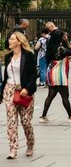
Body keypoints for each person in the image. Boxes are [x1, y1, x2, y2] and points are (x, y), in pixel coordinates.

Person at [3, 31, 37, 159]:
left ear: (19, 41)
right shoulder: (8, 57)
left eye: (12, 39)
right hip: (10, 89)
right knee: (11, 121)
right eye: (10, 39)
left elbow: (34, 74)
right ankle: (13, 148)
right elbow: (5, 77)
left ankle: (30, 143)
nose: (9, 41)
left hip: (24, 91)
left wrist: (27, 89)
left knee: (26, 121)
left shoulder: (28, 56)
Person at [41, 26, 71, 124]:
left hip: (51, 73)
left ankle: (43, 116)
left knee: (50, 96)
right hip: (59, 75)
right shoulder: (61, 48)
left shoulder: (51, 48)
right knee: (65, 97)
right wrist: (66, 41)